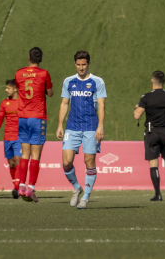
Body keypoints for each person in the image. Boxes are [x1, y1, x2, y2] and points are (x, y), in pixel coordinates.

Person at [56, 50, 107, 209]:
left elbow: (101, 104)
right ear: (75, 64)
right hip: (72, 127)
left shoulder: (97, 82)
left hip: (91, 127)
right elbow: (64, 104)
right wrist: (59, 125)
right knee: (66, 162)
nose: (81, 67)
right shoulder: (68, 81)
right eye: (78, 64)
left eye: (84, 64)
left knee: (89, 161)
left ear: (89, 64)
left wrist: (100, 126)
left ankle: (85, 197)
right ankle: (77, 187)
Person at [15, 47, 53, 203]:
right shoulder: (44, 74)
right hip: (37, 117)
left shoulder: (18, 73)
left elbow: (20, 89)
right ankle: (30, 188)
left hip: (23, 117)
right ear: (41, 59)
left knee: (25, 154)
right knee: (36, 155)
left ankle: (21, 186)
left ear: (28, 57)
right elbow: (50, 93)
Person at [134, 70, 165, 201]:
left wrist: (137, 107)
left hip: (151, 132)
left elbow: (137, 116)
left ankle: (158, 194)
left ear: (152, 81)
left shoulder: (145, 97)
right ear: (164, 81)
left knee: (153, 164)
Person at [0, 79, 21, 199]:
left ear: (15, 89)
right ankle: (16, 184)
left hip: (19, 137)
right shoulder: (4, 103)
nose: (6, 90)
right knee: (11, 163)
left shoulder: (23, 102)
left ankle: (17, 187)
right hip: (7, 137)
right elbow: (0, 117)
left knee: (18, 161)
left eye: (8, 88)